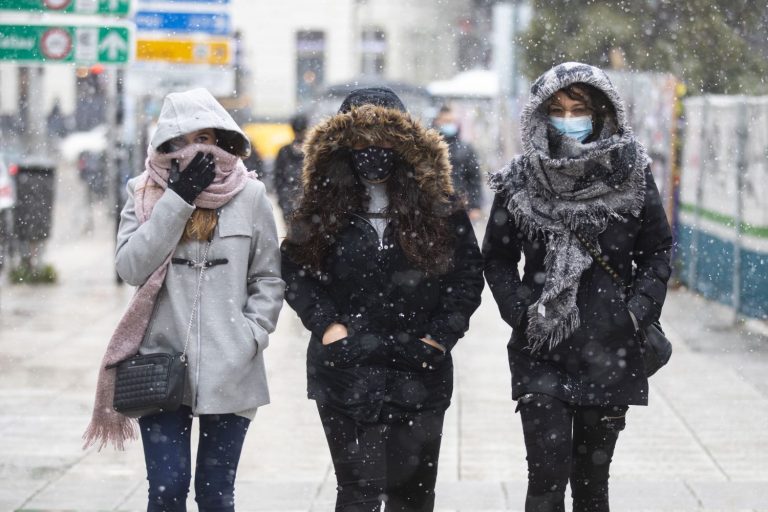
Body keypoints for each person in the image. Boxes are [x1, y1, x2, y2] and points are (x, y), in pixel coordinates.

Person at [281, 87, 484, 512]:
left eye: (383, 141)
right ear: (341, 146)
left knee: (412, 497)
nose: (372, 152)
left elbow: (466, 278)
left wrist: (437, 338)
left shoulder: (438, 207)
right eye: (360, 141)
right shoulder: (319, 205)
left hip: (419, 368)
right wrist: (329, 327)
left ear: (404, 144)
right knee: (358, 494)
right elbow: (297, 272)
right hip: (344, 369)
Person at [83, 88, 285, 512]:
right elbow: (131, 268)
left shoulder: (250, 196)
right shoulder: (142, 192)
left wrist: (252, 334)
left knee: (215, 495)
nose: (194, 150)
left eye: (205, 139)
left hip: (233, 366)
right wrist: (177, 200)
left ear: (221, 139)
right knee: (167, 489)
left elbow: (267, 276)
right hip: (160, 364)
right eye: (180, 142)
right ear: (164, 145)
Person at [482, 62, 673, 512]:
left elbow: (658, 250)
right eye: (557, 109)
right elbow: (497, 257)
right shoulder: (520, 179)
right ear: (540, 114)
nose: (568, 118)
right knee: (546, 481)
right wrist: (522, 311)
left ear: (603, 112)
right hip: (541, 350)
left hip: (611, 350)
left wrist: (634, 312)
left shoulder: (631, 173)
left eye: (579, 108)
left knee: (591, 487)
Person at [433, 105, 483, 221]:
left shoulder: (466, 148)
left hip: (460, 207)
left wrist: (475, 206)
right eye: (446, 121)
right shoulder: (429, 146)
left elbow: (474, 178)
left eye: (451, 121)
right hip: (433, 208)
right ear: (437, 122)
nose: (449, 124)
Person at [273, 113, 308, 224]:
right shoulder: (312, 149)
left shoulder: (284, 151)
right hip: (295, 203)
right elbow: (278, 179)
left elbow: (278, 179)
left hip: (302, 203)